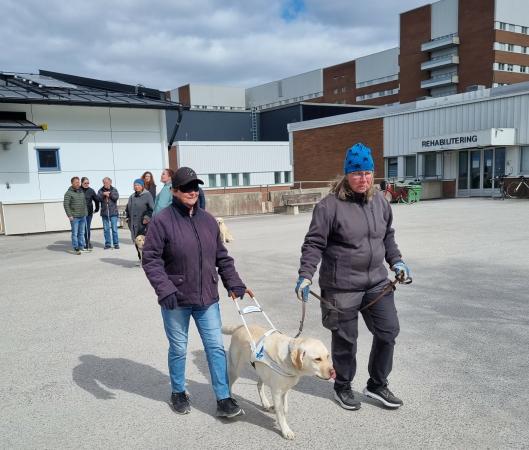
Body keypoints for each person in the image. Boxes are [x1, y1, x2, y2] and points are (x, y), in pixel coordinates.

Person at [295, 142, 411, 411]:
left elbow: (387, 236)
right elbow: (314, 244)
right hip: (341, 286)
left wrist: (397, 261)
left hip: (377, 283)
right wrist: (305, 275)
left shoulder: (380, 201)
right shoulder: (329, 206)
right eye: (358, 173)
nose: (364, 178)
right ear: (347, 174)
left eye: (368, 172)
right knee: (346, 340)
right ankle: (343, 386)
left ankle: (377, 384)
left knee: (388, 331)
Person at [142, 166, 250, 418]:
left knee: (214, 348)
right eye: (186, 188)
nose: (192, 192)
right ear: (174, 191)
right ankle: (178, 392)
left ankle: (224, 399)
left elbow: (222, 257)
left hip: (206, 298)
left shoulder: (208, 220)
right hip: (176, 299)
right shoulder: (162, 221)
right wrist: (164, 288)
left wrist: (233, 282)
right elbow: (151, 259)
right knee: (179, 348)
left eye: (195, 187)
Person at [125, 179, 154, 263]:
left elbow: (152, 208)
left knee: (145, 242)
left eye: (138, 185)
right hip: (133, 224)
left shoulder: (147, 195)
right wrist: (127, 218)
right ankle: (140, 258)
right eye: (135, 185)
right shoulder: (132, 196)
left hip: (143, 223)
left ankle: (148, 259)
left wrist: (147, 218)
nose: (136, 187)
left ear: (142, 186)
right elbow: (127, 208)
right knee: (137, 241)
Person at [63, 177, 88, 255]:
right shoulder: (68, 193)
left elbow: (84, 203)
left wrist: (85, 213)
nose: (78, 184)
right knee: (75, 233)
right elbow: (66, 205)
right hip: (74, 217)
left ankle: (81, 247)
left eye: (79, 182)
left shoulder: (81, 191)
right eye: (76, 182)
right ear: (72, 183)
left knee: (81, 232)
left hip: (82, 216)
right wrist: (69, 215)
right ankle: (76, 248)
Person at [97, 177, 120, 250]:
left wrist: (109, 195)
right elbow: (98, 199)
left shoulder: (114, 189)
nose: (106, 184)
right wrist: (103, 194)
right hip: (105, 213)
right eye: (104, 182)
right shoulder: (100, 190)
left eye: (107, 182)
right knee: (106, 229)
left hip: (113, 213)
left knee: (114, 229)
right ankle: (108, 244)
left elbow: (115, 198)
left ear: (110, 182)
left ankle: (116, 244)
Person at [81, 177, 100, 250]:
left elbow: (96, 200)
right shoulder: (79, 190)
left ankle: (87, 242)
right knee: (81, 229)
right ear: (81, 183)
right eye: (85, 183)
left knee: (87, 228)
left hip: (89, 213)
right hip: (80, 213)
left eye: (88, 183)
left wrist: (97, 209)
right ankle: (81, 243)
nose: (86, 184)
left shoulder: (91, 190)